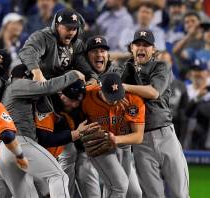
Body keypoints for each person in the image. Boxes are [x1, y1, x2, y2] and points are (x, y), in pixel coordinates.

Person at [0, 64, 91, 198]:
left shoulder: (12, 94)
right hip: (20, 142)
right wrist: (73, 74)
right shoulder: (17, 85)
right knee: (58, 176)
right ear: (25, 77)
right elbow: (46, 87)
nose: (36, 81)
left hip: (3, 151)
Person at [117, 29, 189, 197]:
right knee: (153, 195)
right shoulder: (124, 70)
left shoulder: (161, 66)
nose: (142, 48)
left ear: (153, 49)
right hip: (140, 141)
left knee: (180, 194)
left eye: (146, 45)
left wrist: (125, 87)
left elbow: (154, 92)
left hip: (165, 135)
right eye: (138, 44)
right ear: (131, 47)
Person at [80, 72, 145, 198]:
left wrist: (116, 139)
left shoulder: (132, 100)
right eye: (110, 96)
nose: (114, 100)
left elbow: (138, 136)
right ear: (100, 88)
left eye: (117, 95)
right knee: (119, 187)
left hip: (123, 146)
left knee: (135, 193)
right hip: (99, 145)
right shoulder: (86, 96)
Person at [19, 8, 98, 83]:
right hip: (41, 83)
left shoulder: (76, 44)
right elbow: (26, 52)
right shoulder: (42, 37)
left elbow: (84, 66)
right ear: (56, 26)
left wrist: (92, 78)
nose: (71, 32)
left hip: (62, 87)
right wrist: (36, 72)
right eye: (68, 28)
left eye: (74, 29)